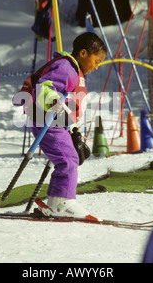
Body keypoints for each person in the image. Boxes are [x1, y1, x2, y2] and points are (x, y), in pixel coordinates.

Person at [13, 32, 106, 218]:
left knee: (67, 159)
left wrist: (70, 125)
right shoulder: (65, 66)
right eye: (96, 61)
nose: (96, 67)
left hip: (57, 122)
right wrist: (54, 100)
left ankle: (56, 201)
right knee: (68, 159)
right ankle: (63, 200)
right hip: (47, 121)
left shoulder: (75, 70)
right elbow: (45, 86)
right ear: (83, 53)